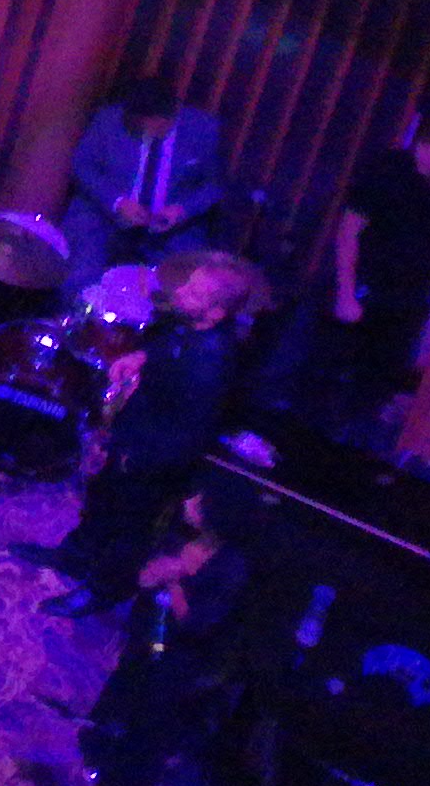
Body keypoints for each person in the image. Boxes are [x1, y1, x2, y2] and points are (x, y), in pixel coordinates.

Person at [34, 249, 262, 615]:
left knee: (129, 529)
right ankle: (75, 556)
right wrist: (139, 358)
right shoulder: (189, 324)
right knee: (101, 501)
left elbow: (188, 437)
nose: (180, 293)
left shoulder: (211, 365)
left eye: (193, 293)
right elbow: (165, 347)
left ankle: (103, 590)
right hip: (135, 434)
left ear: (217, 313)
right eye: (188, 285)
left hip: (151, 459)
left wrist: (135, 458)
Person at [76, 486, 252, 786]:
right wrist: (155, 573)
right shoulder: (179, 540)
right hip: (148, 636)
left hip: (182, 654)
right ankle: (96, 763)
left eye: (198, 500)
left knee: (149, 720)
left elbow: (196, 624)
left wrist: (174, 581)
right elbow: (144, 580)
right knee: (120, 696)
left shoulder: (231, 567)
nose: (188, 502)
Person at [327, 114, 430, 430]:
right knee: (333, 366)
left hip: (413, 293)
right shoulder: (388, 169)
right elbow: (348, 231)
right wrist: (345, 293)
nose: (426, 155)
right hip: (367, 282)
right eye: (425, 145)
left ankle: (355, 436)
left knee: (381, 375)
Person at [62, 75, 230, 290]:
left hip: (172, 226)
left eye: (157, 127)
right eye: (140, 127)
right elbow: (82, 165)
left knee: (184, 282)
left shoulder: (203, 129)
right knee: (82, 268)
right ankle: (74, 306)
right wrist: (117, 202)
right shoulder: (108, 120)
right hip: (105, 214)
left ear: (172, 115)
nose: (148, 133)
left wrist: (181, 210)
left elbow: (215, 185)